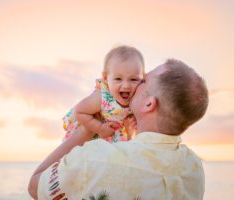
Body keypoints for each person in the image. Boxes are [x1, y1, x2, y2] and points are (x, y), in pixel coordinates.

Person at [28, 59, 209, 200]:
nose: (134, 85)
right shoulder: (194, 169)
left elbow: (35, 186)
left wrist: (85, 131)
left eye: (143, 81)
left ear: (149, 104)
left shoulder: (93, 158)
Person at [63, 45, 144, 143]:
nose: (126, 85)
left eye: (133, 79)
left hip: (116, 140)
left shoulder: (140, 95)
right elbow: (79, 111)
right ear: (106, 78)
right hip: (91, 138)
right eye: (118, 79)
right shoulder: (104, 97)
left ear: (142, 78)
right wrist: (99, 128)